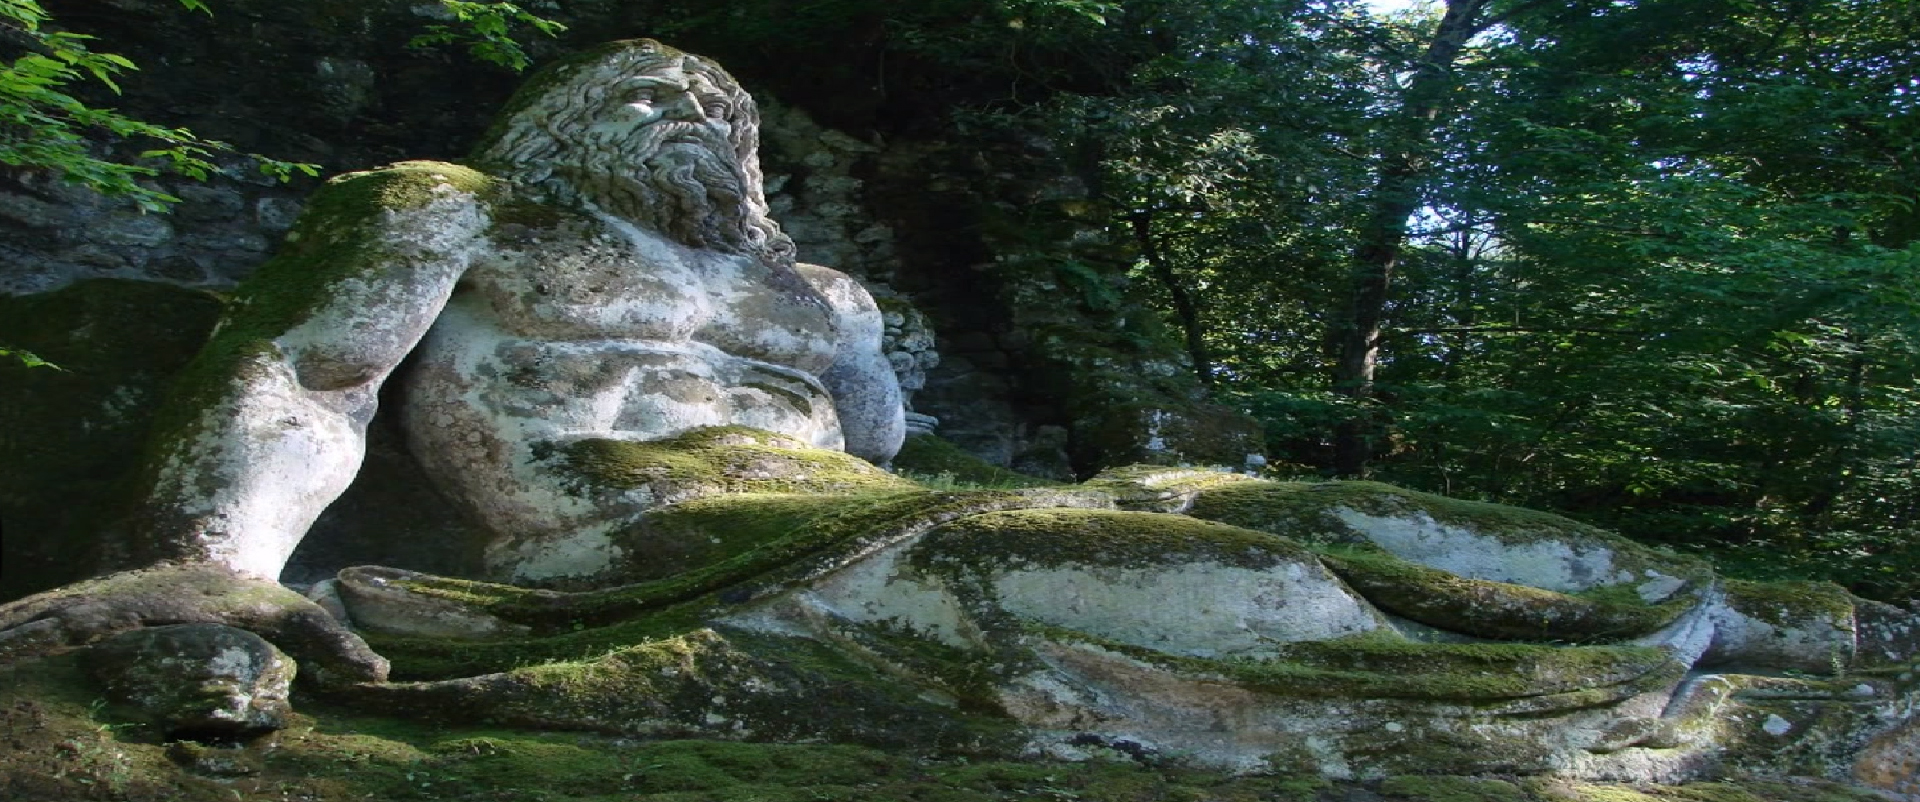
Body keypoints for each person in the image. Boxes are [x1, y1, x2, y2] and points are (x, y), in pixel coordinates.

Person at [0, 39, 903, 681]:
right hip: (610, 507)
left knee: (1028, 531)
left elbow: (886, 453)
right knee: (1021, 557)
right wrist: (217, 565)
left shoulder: (823, 294)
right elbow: (314, 376)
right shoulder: (470, 211)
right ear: (556, 123)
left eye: (719, 109)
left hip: (823, 504)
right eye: (646, 94)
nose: (690, 114)